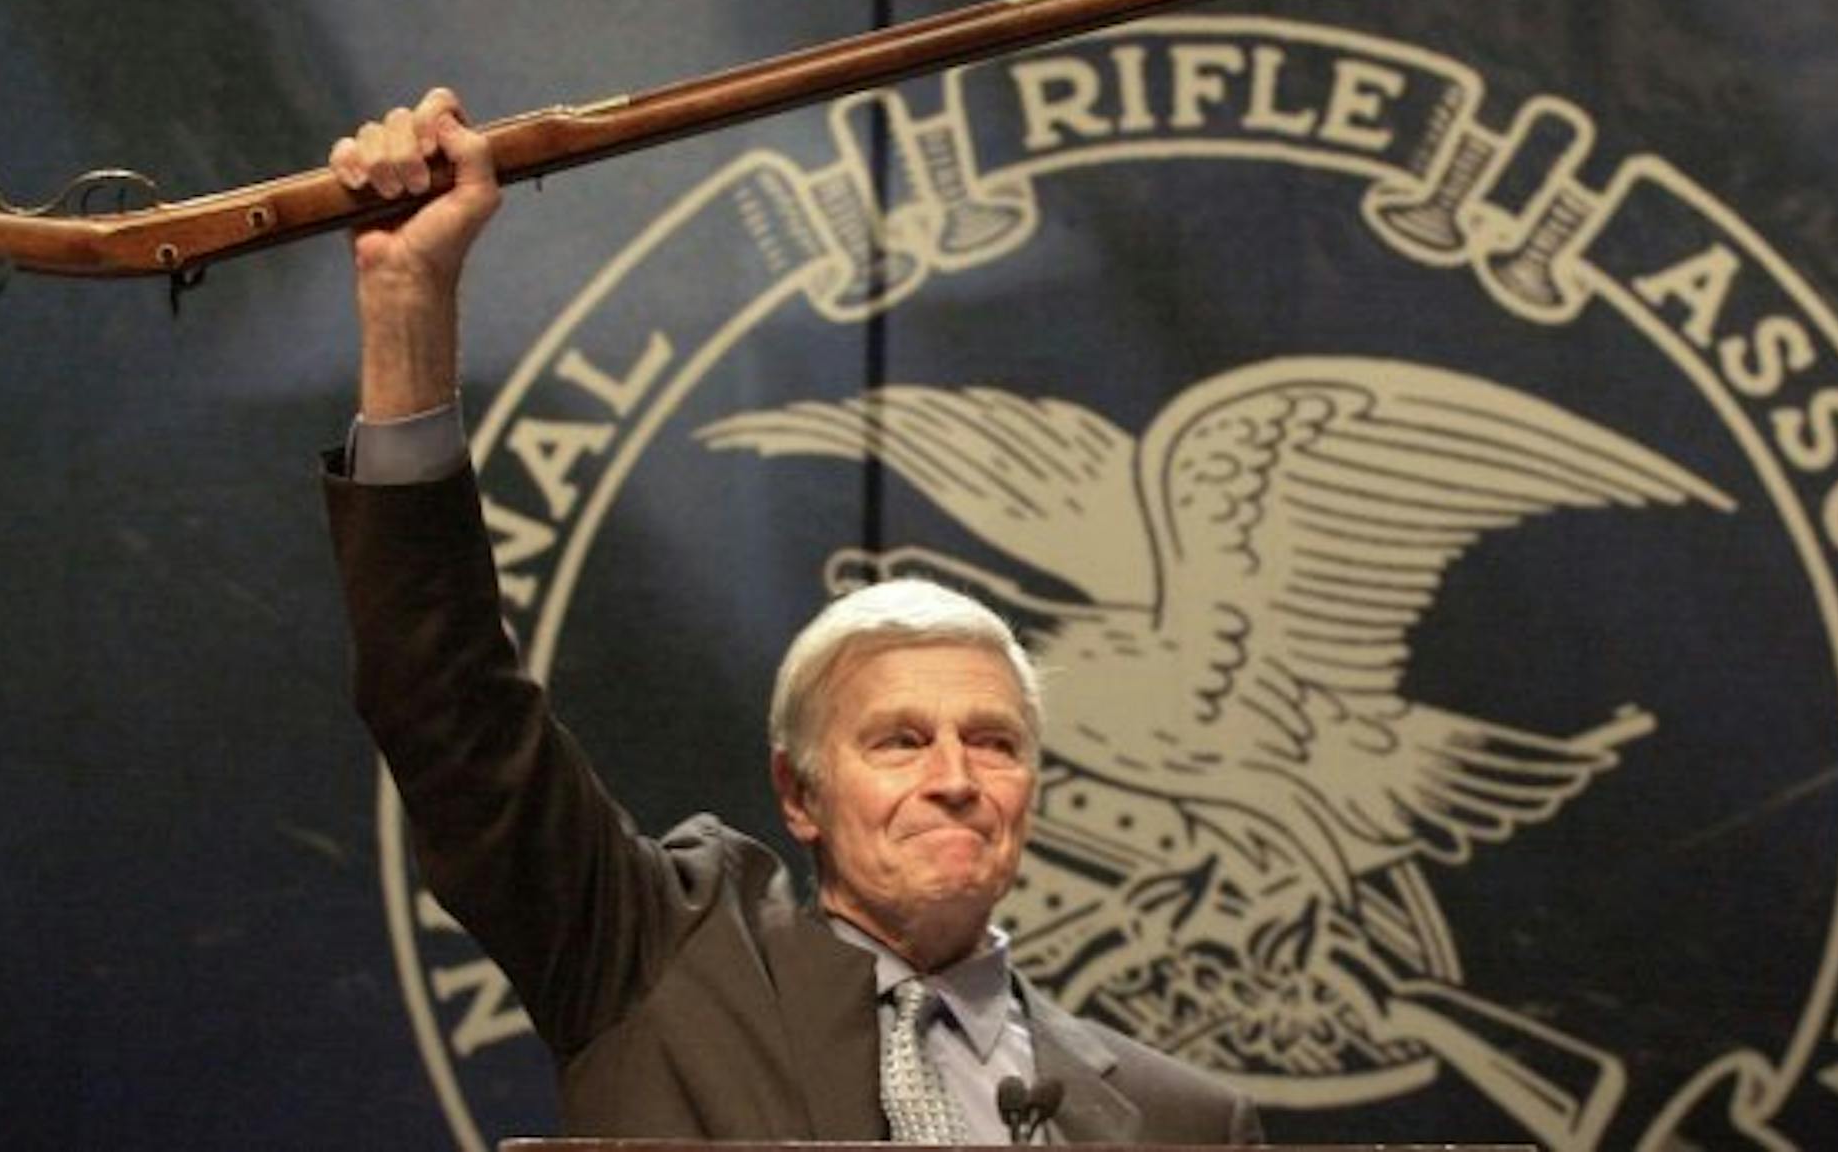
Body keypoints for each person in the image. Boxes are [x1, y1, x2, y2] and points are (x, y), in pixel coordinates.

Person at [322, 88, 1262, 1143]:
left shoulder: (1186, 1123)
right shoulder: (651, 957)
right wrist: (407, 304)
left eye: (993, 743)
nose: (955, 780)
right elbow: (448, 709)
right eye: (900, 740)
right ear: (798, 793)